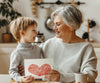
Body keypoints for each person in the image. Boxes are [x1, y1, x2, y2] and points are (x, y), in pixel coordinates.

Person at [18, 5, 97, 83]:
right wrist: (25, 69)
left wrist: (61, 77)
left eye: (58, 24)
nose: (54, 28)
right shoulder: (48, 44)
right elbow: (37, 66)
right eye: (54, 24)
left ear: (71, 26)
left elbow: (90, 75)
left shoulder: (86, 48)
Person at [9, 17, 42, 83]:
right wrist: (21, 78)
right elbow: (12, 71)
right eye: (33, 30)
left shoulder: (38, 49)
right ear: (22, 33)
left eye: (36, 30)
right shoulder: (17, 53)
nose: (37, 32)